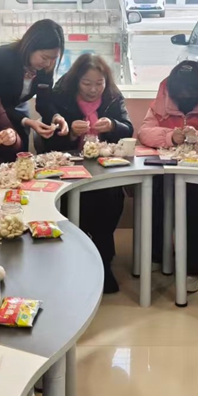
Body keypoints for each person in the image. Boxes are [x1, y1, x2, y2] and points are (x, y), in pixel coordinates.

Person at [139, 61, 198, 291]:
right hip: (165, 168)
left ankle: (194, 266)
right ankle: (157, 254)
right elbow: (144, 132)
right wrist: (171, 137)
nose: (185, 96)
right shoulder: (162, 99)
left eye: (190, 92)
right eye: (180, 92)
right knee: (153, 194)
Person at [44, 53, 134, 292]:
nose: (93, 90)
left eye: (99, 83)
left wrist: (113, 126)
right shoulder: (61, 98)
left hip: (104, 166)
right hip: (68, 168)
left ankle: (103, 261)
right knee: (78, 200)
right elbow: (46, 142)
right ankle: (80, 259)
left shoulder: (113, 97)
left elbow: (128, 129)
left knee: (110, 198)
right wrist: (71, 133)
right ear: (76, 81)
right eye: (86, 83)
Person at [0, 19, 68, 141]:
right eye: (44, 57)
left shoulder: (45, 67)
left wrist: (56, 117)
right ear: (30, 47)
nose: (48, 63)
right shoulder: (3, 59)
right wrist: (26, 121)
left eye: (53, 59)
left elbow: (44, 101)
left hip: (17, 111)